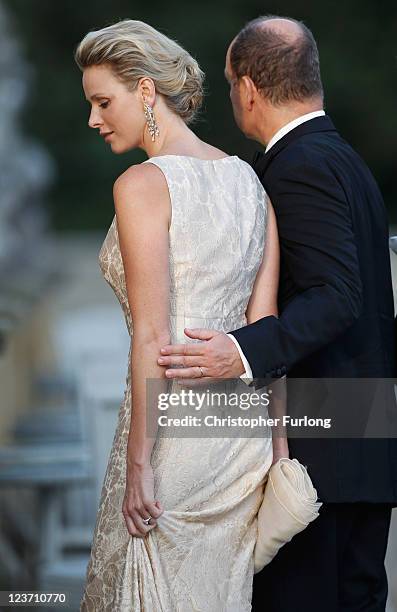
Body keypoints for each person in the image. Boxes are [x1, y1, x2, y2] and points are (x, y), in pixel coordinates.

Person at [159, 15, 397, 612]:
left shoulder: (300, 167)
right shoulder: (345, 159)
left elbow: (337, 294)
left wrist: (239, 350)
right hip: (363, 434)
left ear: (247, 89)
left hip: (325, 446)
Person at [74, 18, 286, 611]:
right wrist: (278, 450)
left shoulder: (142, 184)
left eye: (102, 101)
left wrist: (139, 464)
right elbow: (266, 332)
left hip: (172, 440)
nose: (94, 119)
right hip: (239, 440)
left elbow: (152, 336)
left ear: (145, 91)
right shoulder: (251, 181)